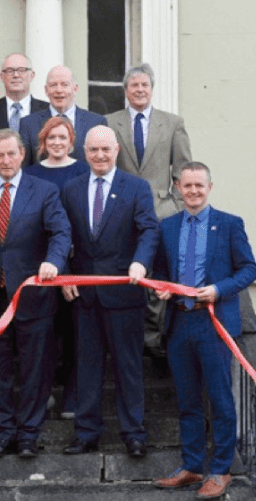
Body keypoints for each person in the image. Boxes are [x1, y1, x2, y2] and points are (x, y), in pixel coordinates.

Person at [152, 162, 256, 500]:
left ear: (210, 187)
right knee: (187, 400)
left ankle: (221, 469)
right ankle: (192, 465)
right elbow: (161, 272)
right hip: (180, 323)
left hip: (214, 323)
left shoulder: (228, 224)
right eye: (187, 185)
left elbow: (249, 269)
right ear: (178, 188)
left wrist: (219, 290)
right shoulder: (167, 227)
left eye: (200, 185)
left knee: (221, 399)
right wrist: (162, 288)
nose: (193, 191)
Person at [0, 129, 71, 459]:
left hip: (33, 296)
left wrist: (53, 262)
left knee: (35, 368)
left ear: (22, 154)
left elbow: (61, 232)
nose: (5, 161)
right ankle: (3, 432)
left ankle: (29, 433)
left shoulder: (44, 191)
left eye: (11, 154)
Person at [60, 126, 158, 458]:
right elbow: (61, 237)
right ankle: (86, 432)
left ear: (116, 150)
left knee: (128, 366)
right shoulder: (71, 189)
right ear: (84, 152)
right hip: (85, 296)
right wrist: (64, 275)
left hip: (124, 294)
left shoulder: (137, 188)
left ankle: (134, 433)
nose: (100, 156)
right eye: (93, 150)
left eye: (106, 150)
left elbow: (148, 231)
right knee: (87, 367)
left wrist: (141, 263)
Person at [106, 63, 193, 354]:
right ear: (125, 91)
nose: (140, 90)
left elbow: (182, 170)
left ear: (152, 90)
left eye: (145, 85)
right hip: (120, 212)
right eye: (134, 86)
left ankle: (154, 340)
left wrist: (176, 206)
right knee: (127, 275)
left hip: (161, 211)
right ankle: (129, 337)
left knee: (157, 276)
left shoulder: (172, 123)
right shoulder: (109, 123)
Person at [26, 116, 89, 419]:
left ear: (72, 141)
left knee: (77, 333)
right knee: (45, 333)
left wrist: (68, 270)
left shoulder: (84, 171)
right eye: (51, 138)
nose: (57, 143)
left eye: (63, 137)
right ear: (43, 142)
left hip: (77, 264)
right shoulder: (31, 174)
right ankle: (45, 392)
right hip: (42, 265)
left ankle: (74, 398)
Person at [19, 66, 106, 166]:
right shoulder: (28, 124)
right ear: (46, 90)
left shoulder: (96, 122)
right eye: (53, 85)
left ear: (75, 88)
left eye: (65, 85)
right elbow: (24, 169)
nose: (59, 90)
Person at [0, 53, 49, 136]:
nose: (16, 75)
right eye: (10, 71)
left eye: (22, 70)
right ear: (2, 76)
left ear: (32, 75)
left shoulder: (48, 111)